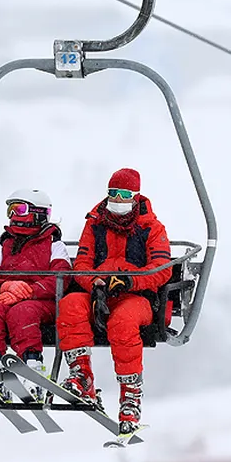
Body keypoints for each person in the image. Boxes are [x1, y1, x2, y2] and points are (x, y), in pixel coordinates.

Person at [56, 167, 172, 436]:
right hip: (99, 293)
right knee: (71, 305)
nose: (118, 200)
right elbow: (82, 263)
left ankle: (130, 397)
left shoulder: (151, 228)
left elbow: (162, 269)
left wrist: (131, 281)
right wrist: (95, 283)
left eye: (124, 195)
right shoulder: (95, 224)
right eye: (113, 193)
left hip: (136, 297)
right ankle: (81, 376)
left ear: (136, 197)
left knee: (123, 321)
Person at [0, 188, 71, 402]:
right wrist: (4, 286)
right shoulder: (5, 245)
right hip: (7, 299)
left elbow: (60, 278)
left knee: (22, 313)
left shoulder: (54, 245)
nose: (13, 215)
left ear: (39, 213)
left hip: (42, 303)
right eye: (11, 210)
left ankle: (33, 368)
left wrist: (29, 291)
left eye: (20, 209)